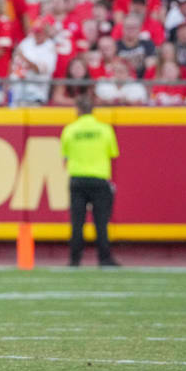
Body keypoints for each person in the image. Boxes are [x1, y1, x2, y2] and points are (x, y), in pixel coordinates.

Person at [61, 95, 120, 267]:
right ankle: (104, 258)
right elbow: (112, 153)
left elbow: (65, 157)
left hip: (77, 179)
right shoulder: (105, 129)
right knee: (101, 222)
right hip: (99, 179)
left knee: (77, 222)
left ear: (77, 110)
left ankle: (74, 259)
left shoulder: (70, 130)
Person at [9, 16, 57, 105]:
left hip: (36, 95)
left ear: (45, 32)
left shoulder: (50, 47)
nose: (37, 34)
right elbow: (15, 62)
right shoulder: (27, 42)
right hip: (18, 92)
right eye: (35, 31)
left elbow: (40, 70)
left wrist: (24, 58)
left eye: (40, 32)